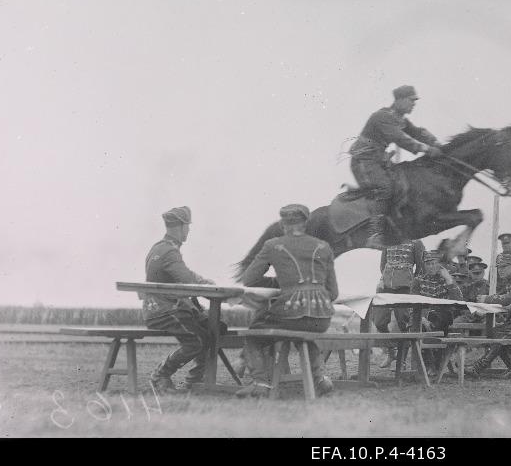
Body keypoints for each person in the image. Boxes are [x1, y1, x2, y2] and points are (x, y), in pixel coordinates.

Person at [235, 204, 339, 398]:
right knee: (303, 334)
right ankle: (320, 379)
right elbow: (333, 292)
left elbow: (249, 279)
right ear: (305, 223)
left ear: (283, 224)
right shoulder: (324, 247)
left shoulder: (273, 245)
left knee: (253, 333)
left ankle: (260, 382)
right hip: (321, 318)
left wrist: (281, 283)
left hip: (291, 312)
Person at [349, 86, 443, 249]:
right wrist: (427, 149)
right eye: (411, 100)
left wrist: (437, 144)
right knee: (384, 187)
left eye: (414, 101)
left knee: (403, 184)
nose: (413, 104)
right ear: (399, 100)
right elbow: (401, 138)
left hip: (378, 161)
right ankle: (374, 234)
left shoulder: (400, 119)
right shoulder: (382, 117)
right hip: (363, 161)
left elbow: (417, 132)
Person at [144, 206, 218, 393]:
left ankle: (194, 382)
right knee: (197, 341)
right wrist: (205, 283)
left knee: (213, 330)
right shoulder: (169, 251)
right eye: (188, 227)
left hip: (161, 309)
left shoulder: (160, 247)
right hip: (164, 312)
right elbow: (187, 279)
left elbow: (183, 274)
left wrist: (201, 281)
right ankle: (161, 374)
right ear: (182, 227)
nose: (189, 231)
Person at [410, 250, 464, 375]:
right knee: (420, 327)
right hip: (422, 318)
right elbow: (412, 304)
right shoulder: (418, 281)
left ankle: (435, 366)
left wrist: (449, 280)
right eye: (428, 264)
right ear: (423, 265)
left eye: (434, 263)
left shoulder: (446, 279)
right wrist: (422, 318)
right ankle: (428, 366)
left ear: (439, 264)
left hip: (442, 319)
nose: (431, 267)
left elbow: (459, 301)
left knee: (440, 320)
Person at [374, 240, 425, 368]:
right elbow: (383, 264)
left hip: (405, 286)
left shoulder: (416, 241)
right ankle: (392, 351)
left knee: (404, 322)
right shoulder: (389, 237)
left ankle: (401, 360)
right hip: (386, 285)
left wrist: (412, 283)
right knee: (379, 321)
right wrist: (387, 278)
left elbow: (420, 267)